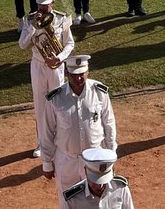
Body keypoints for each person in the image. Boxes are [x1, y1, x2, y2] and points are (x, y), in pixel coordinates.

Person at [41, 55, 117, 209]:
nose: (79, 78)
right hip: (67, 159)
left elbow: (109, 123)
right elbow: (47, 131)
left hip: (95, 159)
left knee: (99, 199)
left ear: (88, 72)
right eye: (74, 74)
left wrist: (111, 154)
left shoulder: (99, 92)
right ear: (67, 74)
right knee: (67, 198)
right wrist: (47, 162)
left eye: (82, 73)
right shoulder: (56, 98)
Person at [18, 0, 75, 160]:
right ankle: (42, 143)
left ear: (52, 4)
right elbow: (22, 45)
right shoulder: (29, 20)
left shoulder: (62, 19)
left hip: (55, 67)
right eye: (40, 6)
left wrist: (59, 58)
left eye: (46, 6)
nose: (42, 10)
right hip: (38, 66)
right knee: (40, 106)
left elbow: (70, 44)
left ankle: (59, 140)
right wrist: (32, 29)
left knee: (58, 104)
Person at [63, 147, 134, 208]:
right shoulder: (73, 199)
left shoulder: (121, 189)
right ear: (85, 171)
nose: (100, 186)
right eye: (95, 181)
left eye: (104, 180)